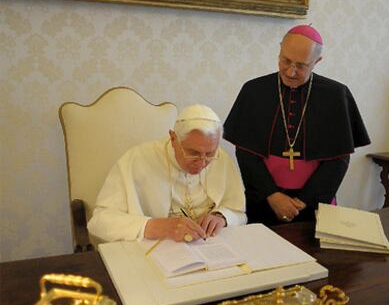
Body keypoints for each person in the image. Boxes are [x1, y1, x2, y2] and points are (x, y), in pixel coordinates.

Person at [223, 24, 370, 225]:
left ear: (317, 61)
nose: (291, 72)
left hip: (314, 204)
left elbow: (339, 158)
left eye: (301, 65)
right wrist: (272, 195)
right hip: (264, 200)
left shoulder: (336, 95)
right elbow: (245, 151)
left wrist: (304, 201)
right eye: (286, 61)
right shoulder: (254, 91)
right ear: (280, 50)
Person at [88, 104, 247, 243]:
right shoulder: (138, 159)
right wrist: (153, 226)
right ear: (173, 138)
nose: (202, 162)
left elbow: (239, 212)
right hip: (154, 255)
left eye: (210, 154)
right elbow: (100, 222)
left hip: (210, 249)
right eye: (193, 153)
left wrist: (222, 217)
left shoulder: (222, 159)